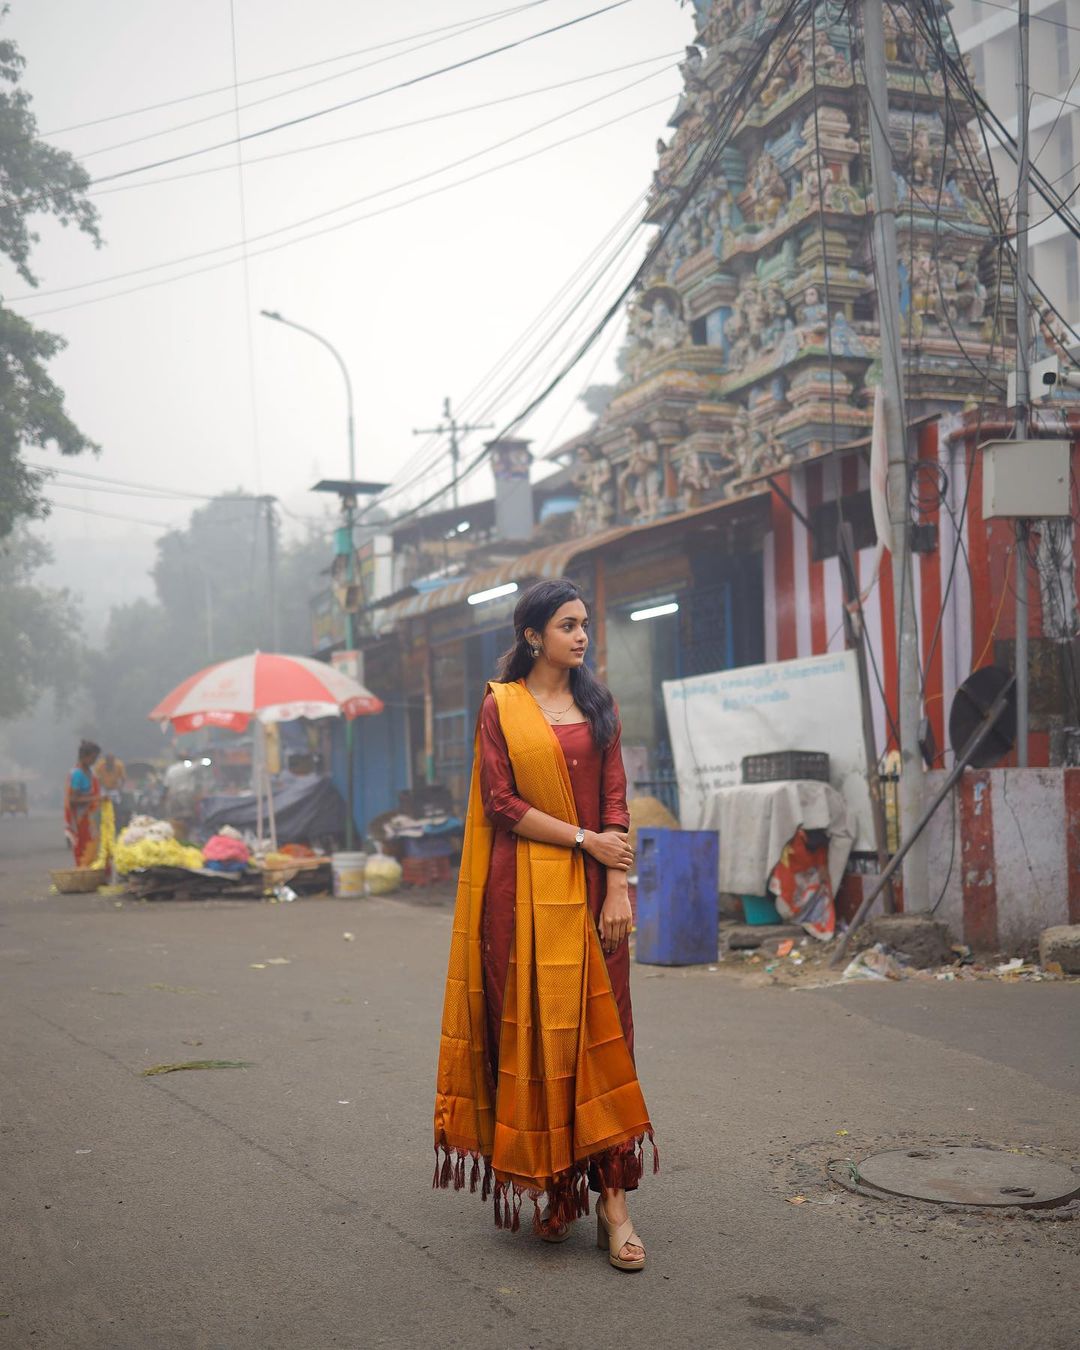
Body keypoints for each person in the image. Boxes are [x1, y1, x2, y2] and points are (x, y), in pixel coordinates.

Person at [433, 580, 656, 1272]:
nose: (582, 636)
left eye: (585, 623)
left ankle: (613, 1205)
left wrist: (615, 883)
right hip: (519, 898)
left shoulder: (598, 705)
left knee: (604, 1040)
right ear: (534, 635)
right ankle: (557, 1191)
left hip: (593, 895)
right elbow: (500, 803)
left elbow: (615, 802)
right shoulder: (503, 709)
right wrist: (583, 841)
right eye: (567, 625)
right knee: (534, 1037)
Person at [64, 740, 101, 865]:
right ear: (85, 757)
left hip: (92, 819)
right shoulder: (77, 775)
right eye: (93, 758)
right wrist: (94, 799)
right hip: (82, 819)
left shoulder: (90, 772)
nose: (95, 761)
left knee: (95, 850)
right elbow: (72, 799)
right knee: (85, 851)